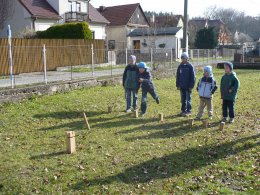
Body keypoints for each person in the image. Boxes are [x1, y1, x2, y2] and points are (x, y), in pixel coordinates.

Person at [176, 52, 196, 117]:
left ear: (187, 58)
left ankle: (189, 111)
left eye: (183, 58)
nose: (182, 59)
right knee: (183, 99)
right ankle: (183, 110)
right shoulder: (180, 66)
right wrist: (178, 85)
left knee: (188, 99)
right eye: (181, 58)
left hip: (188, 87)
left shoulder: (190, 67)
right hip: (182, 86)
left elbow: (193, 77)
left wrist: (191, 86)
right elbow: (178, 76)